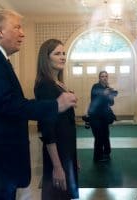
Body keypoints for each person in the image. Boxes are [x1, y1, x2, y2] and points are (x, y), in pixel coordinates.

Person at [0, 10, 77, 200]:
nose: (23, 33)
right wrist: (55, 106)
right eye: (17, 27)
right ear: (0, 31)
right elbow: (8, 104)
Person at [34, 39, 79, 200]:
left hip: (66, 149)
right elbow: (47, 129)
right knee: (57, 195)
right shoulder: (45, 85)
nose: (62, 57)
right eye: (57, 53)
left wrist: (74, 157)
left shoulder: (58, 83)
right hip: (57, 152)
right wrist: (57, 166)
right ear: (46, 58)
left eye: (63, 53)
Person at [88, 71, 117, 162]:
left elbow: (111, 103)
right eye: (102, 76)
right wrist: (105, 93)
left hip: (104, 116)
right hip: (95, 116)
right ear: (99, 78)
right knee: (98, 137)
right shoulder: (95, 86)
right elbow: (95, 99)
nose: (104, 78)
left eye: (106, 76)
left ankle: (107, 153)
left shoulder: (108, 88)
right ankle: (98, 157)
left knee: (105, 135)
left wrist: (111, 95)